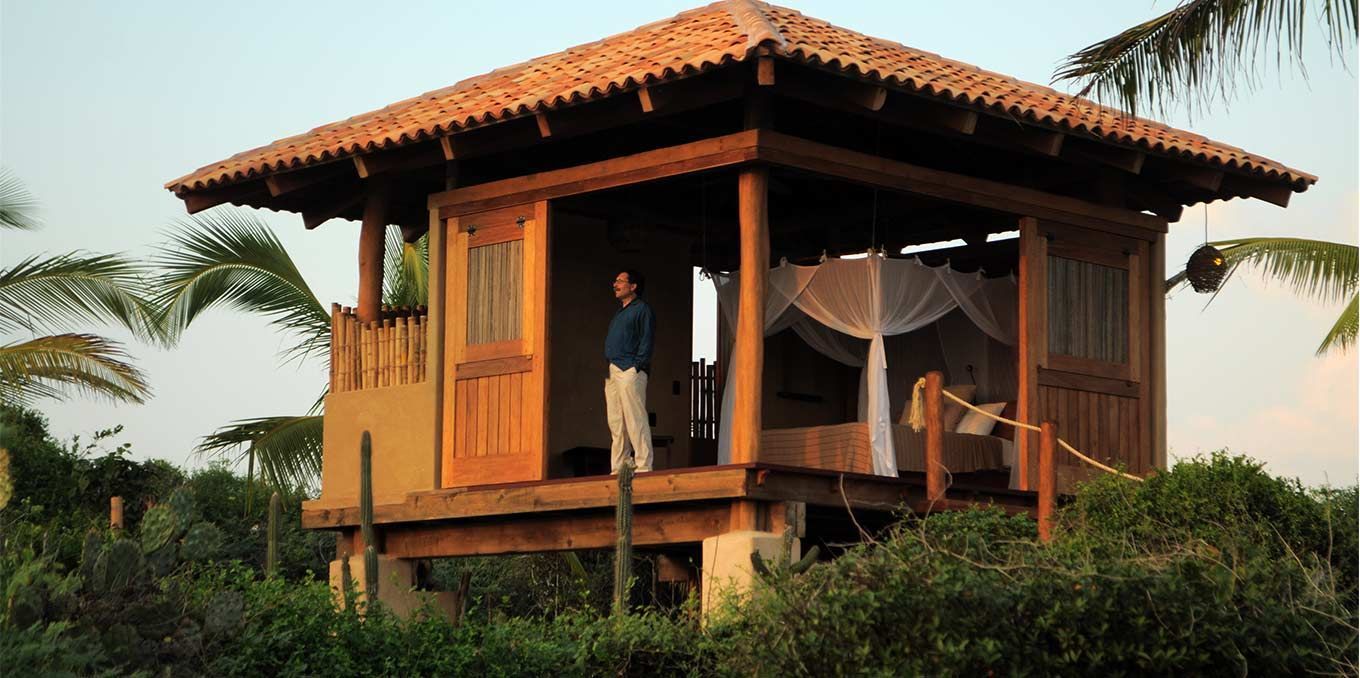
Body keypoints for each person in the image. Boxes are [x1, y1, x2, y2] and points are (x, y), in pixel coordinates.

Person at [604, 270, 655, 473]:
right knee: (616, 421)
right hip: (614, 369)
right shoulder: (620, 312)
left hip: (630, 369)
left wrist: (637, 366)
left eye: (620, 281)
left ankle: (643, 464)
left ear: (633, 286)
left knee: (635, 418)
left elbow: (647, 340)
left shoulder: (642, 309)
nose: (615, 284)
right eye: (615, 281)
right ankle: (620, 465)